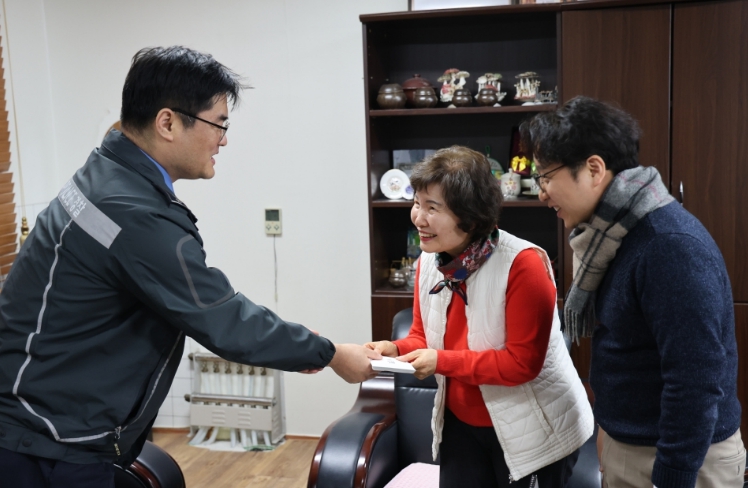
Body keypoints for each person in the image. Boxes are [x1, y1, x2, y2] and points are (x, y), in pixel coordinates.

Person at [0, 46, 379, 487]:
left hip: (42, 419)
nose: (224, 140)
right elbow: (222, 318)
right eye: (219, 123)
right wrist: (331, 354)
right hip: (47, 440)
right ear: (167, 123)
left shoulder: (106, 174)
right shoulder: (133, 212)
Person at [520, 96, 746, 488]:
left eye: (546, 176)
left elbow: (695, 378)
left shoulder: (667, 245)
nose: (541, 192)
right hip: (633, 444)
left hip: (681, 459)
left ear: (593, 169)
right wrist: (609, 433)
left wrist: (672, 476)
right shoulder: (613, 235)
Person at [366, 146, 593, 488]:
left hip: (533, 427)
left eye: (432, 208)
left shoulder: (524, 265)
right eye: (417, 203)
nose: (418, 218)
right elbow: (423, 337)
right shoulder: (430, 260)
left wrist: (441, 361)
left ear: (470, 218)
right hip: (461, 422)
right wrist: (394, 350)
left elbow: (521, 364)